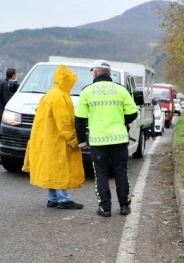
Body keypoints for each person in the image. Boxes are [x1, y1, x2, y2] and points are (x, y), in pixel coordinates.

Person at [75, 60, 138, 217]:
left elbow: (80, 119)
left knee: (101, 174)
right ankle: (124, 206)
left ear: (95, 73)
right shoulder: (121, 90)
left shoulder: (86, 91)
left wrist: (82, 140)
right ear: (109, 74)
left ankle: (105, 207)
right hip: (119, 139)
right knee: (121, 172)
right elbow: (133, 112)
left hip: (98, 141)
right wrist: (120, 122)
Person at [22, 64, 85, 210]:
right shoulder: (60, 96)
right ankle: (63, 199)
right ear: (66, 81)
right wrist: (74, 140)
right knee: (59, 168)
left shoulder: (51, 93)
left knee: (52, 167)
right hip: (57, 139)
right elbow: (64, 122)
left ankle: (53, 198)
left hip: (47, 138)